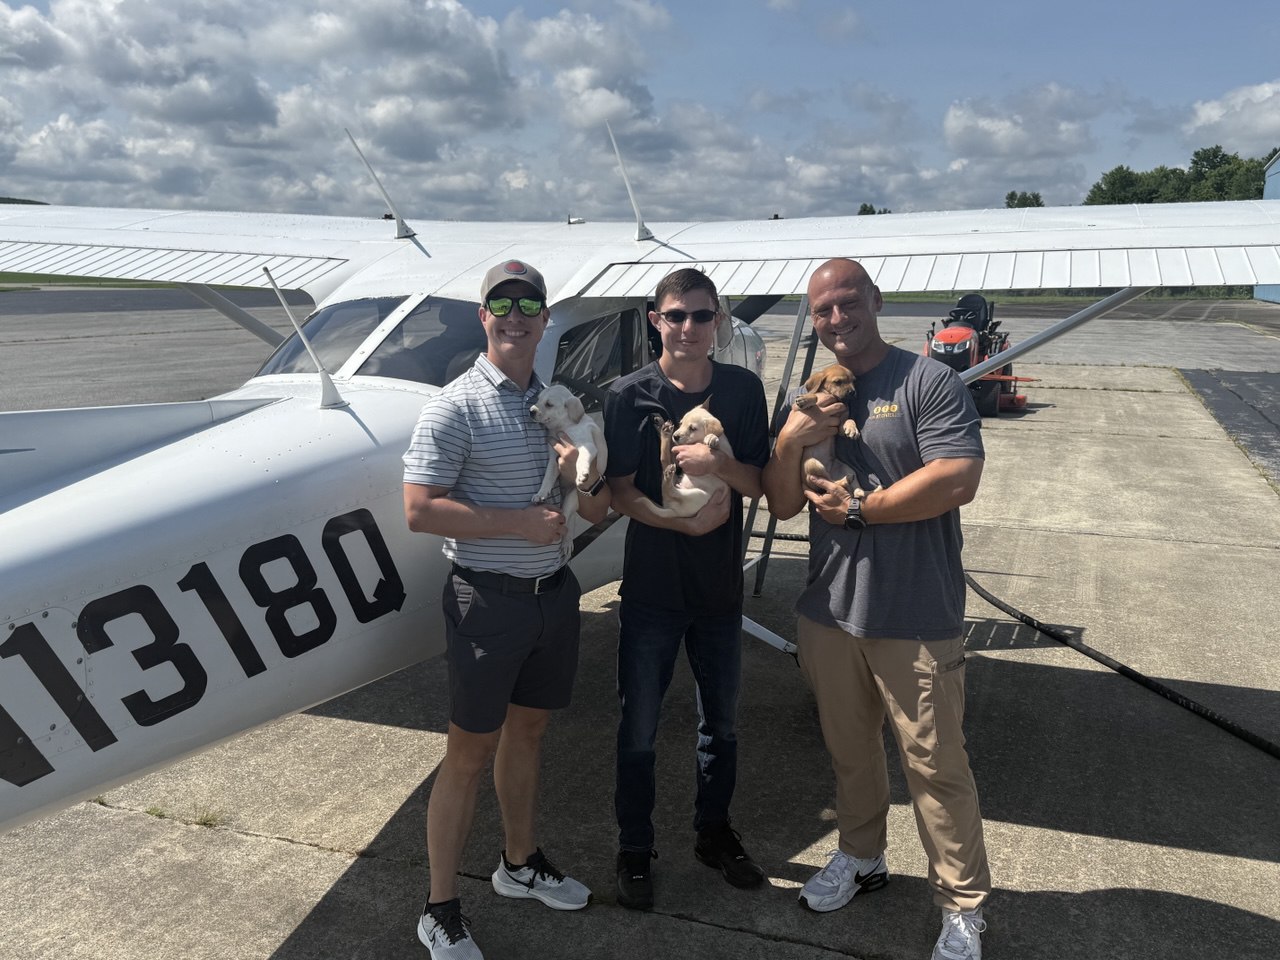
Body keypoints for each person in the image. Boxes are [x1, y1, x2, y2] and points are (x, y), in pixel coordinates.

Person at [761, 258, 991, 960]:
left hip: (913, 613)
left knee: (935, 766)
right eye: (823, 309)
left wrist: (863, 508)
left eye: (848, 303)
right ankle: (861, 856)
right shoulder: (807, 395)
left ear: (876, 302)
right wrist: (792, 439)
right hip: (829, 609)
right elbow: (780, 501)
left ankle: (962, 904)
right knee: (850, 753)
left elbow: (959, 477)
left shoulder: (929, 382)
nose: (836, 319)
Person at [403, 259, 611, 960]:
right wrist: (515, 524)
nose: (516, 313)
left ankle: (519, 866)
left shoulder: (557, 400)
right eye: (502, 301)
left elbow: (586, 495)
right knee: (467, 754)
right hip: (486, 598)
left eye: (530, 302)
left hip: (553, 596)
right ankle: (439, 908)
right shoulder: (455, 405)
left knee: (528, 735)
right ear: (482, 315)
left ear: (546, 318)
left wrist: (585, 471)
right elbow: (420, 509)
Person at [603, 267, 771, 910]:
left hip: (719, 591)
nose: (690, 328)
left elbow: (760, 483)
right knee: (638, 728)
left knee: (721, 726)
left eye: (703, 316)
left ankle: (713, 831)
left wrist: (719, 465)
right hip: (651, 590)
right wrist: (677, 517)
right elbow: (618, 490)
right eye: (677, 315)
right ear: (656, 320)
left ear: (718, 322)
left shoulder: (744, 389)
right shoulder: (628, 394)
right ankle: (635, 846)